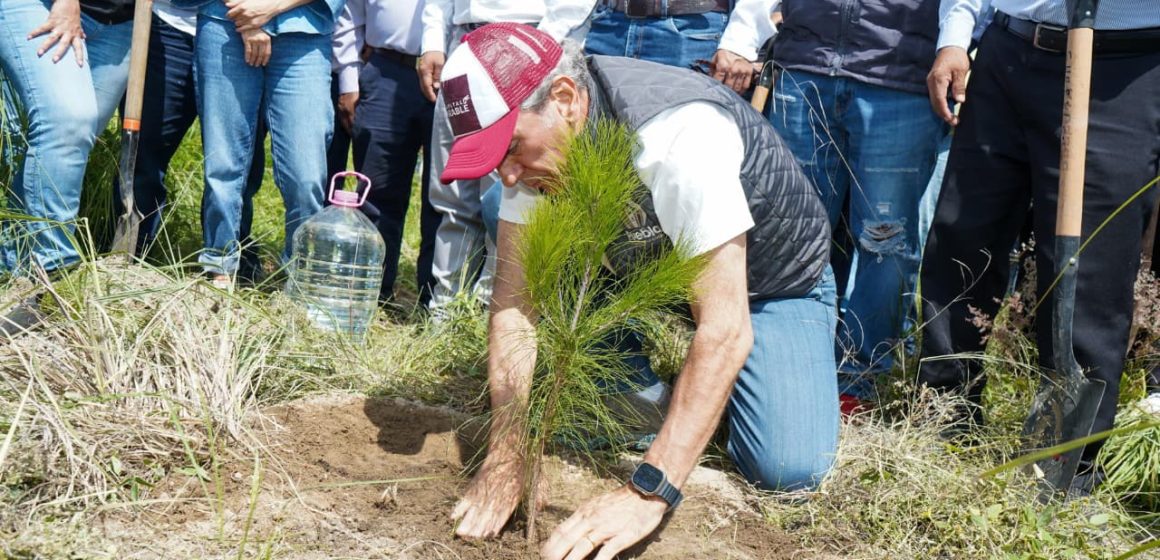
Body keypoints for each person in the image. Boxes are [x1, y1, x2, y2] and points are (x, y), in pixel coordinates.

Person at [441, 24, 837, 556]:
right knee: (585, 419)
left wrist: (648, 490)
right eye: (493, 160)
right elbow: (516, 307)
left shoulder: (677, 136)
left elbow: (724, 327)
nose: (508, 175)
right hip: (642, 278)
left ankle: (716, 399)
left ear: (564, 99)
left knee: (787, 467)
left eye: (511, 147)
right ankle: (679, 395)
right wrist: (507, 454)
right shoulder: (541, 156)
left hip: (768, 284)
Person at [922, 0, 1160, 490]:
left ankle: (1063, 465)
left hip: (1122, 68)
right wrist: (956, 34)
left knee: (1089, 268)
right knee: (961, 238)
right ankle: (942, 419)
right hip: (1008, 54)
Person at [763, 0, 950, 409]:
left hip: (900, 82)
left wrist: (955, 48)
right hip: (805, 69)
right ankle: (781, 370)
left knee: (885, 245)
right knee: (786, 237)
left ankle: (857, 383)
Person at [418, 0, 595, 317]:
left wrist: (533, 55)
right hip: (464, 44)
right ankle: (444, 313)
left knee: (505, 200)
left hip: (526, 42)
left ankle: (491, 313)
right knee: (453, 198)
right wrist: (432, 37)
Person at [171, 0, 345, 285]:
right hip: (226, 21)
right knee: (224, 161)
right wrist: (247, 15)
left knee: (306, 174)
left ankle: (300, 279)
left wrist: (270, 7)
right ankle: (220, 269)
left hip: (305, 30)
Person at [0, 0, 134, 335]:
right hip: (45, 5)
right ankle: (51, 277)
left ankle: (12, 267)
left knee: (60, 147)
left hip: (123, 22)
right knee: (68, 120)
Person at [114, 0, 265, 278]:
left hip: (242, 33)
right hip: (168, 29)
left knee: (240, 159)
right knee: (145, 150)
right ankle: (130, 258)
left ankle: (233, 257)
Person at [332, 0, 439, 306]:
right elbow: (351, 13)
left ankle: (435, 300)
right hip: (388, 69)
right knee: (376, 189)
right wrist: (349, 80)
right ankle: (370, 292)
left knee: (445, 196)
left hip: (451, 72)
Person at [582, 0, 775, 94]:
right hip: (606, 26)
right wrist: (557, 28)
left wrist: (740, 41)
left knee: (682, 153)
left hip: (692, 31)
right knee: (591, 151)